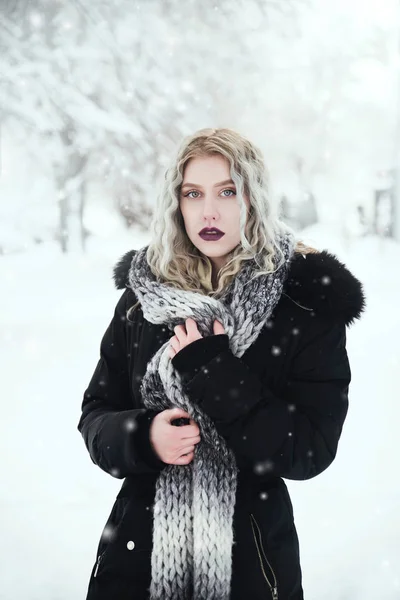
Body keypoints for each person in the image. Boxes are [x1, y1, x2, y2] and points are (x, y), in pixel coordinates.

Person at [77, 128, 365, 600]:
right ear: (178, 203)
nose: (209, 211)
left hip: (251, 564)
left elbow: (311, 449)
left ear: (254, 198)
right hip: (136, 558)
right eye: (193, 193)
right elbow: (96, 414)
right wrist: (142, 436)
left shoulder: (304, 302)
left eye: (227, 191)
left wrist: (212, 371)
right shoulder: (142, 297)